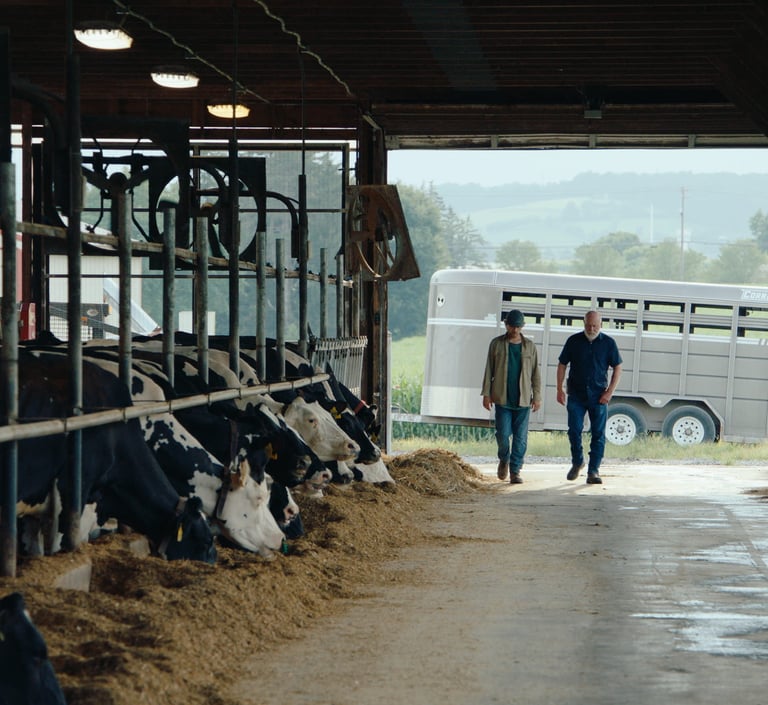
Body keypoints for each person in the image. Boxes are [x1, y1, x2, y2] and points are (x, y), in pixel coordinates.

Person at [556, 310, 622, 485]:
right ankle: (577, 461)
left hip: (599, 395)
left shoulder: (608, 343)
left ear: (601, 324)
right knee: (574, 430)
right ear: (583, 323)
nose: (591, 328)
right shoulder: (573, 341)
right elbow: (562, 364)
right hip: (576, 395)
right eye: (588, 325)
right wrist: (559, 388)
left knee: (598, 434)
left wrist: (610, 392)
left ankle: (593, 470)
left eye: (595, 325)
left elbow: (618, 367)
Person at [481, 309, 542, 484]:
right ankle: (504, 459)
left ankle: (515, 470)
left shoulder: (530, 346)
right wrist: (486, 394)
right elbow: (489, 370)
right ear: (506, 325)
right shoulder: (497, 344)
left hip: (523, 400)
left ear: (522, 327)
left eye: (518, 327)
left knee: (521, 438)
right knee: (502, 434)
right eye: (512, 326)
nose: (515, 330)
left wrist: (537, 396)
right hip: (502, 398)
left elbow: (536, 373)